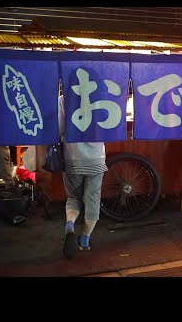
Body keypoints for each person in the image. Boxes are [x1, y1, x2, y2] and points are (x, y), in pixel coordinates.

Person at [58, 95, 108, 259]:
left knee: (74, 197)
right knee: (93, 199)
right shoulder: (101, 97)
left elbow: (58, 129)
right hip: (96, 158)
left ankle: (70, 225)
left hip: (73, 158)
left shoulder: (64, 99)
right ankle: (85, 240)